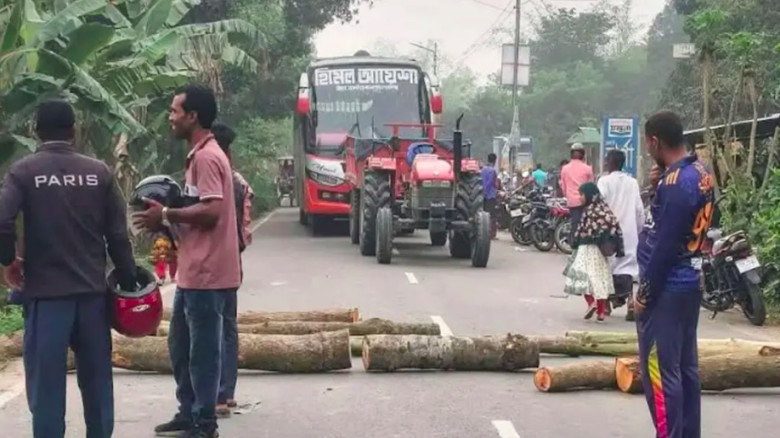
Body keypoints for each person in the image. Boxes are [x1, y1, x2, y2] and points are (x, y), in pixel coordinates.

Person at [0, 99, 137, 438]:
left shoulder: (24, 172)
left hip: (46, 299)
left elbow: (2, 221)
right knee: (98, 386)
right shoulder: (99, 172)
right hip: (92, 298)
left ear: (36, 131)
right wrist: (128, 280)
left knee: (46, 391)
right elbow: (118, 235)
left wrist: (8, 261)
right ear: (73, 130)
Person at [135, 84, 241, 438]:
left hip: (207, 274)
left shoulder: (208, 157)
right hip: (194, 271)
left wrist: (166, 214)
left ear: (192, 116)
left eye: (175, 111)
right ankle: (188, 411)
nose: (170, 117)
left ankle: (204, 423)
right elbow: (199, 210)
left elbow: (211, 211)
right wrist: (167, 222)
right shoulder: (199, 155)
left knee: (203, 353)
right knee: (180, 346)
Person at [636, 110, 714, 438]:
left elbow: (664, 247)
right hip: (690, 281)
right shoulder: (700, 171)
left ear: (655, 141)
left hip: (666, 287)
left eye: (647, 144)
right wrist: (656, 187)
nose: (648, 150)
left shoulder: (675, 183)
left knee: (660, 371)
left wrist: (645, 293)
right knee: (686, 368)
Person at [210, 122, 254, 418]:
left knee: (210, 328)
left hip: (212, 264)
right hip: (233, 262)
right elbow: (244, 229)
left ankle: (216, 395)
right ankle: (227, 392)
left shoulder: (215, 178)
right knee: (228, 326)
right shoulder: (238, 182)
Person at [563, 183, 624, 322]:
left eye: (581, 194)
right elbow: (613, 226)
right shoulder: (604, 209)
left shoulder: (589, 210)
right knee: (599, 279)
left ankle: (591, 303)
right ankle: (601, 313)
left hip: (586, 248)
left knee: (581, 275)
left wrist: (575, 242)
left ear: (589, 195)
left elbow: (581, 230)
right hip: (600, 252)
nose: (580, 197)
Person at [597, 149, 644, 321]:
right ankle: (631, 301)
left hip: (609, 231)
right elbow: (639, 210)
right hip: (629, 231)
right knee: (629, 269)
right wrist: (639, 230)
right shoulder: (632, 183)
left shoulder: (604, 182)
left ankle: (605, 305)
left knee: (606, 266)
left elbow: (599, 206)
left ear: (609, 162)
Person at [559, 143, 594, 242]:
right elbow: (591, 186)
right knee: (585, 225)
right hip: (585, 201)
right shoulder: (588, 168)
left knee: (575, 223)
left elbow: (563, 186)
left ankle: (574, 243)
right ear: (583, 154)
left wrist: (567, 195)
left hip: (572, 202)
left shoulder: (565, 169)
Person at [481, 153, 500, 239]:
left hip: (482, 195)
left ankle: (484, 232)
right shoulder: (493, 171)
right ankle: (491, 234)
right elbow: (492, 183)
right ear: (495, 161)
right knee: (492, 216)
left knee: (484, 214)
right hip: (490, 196)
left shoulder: (483, 169)